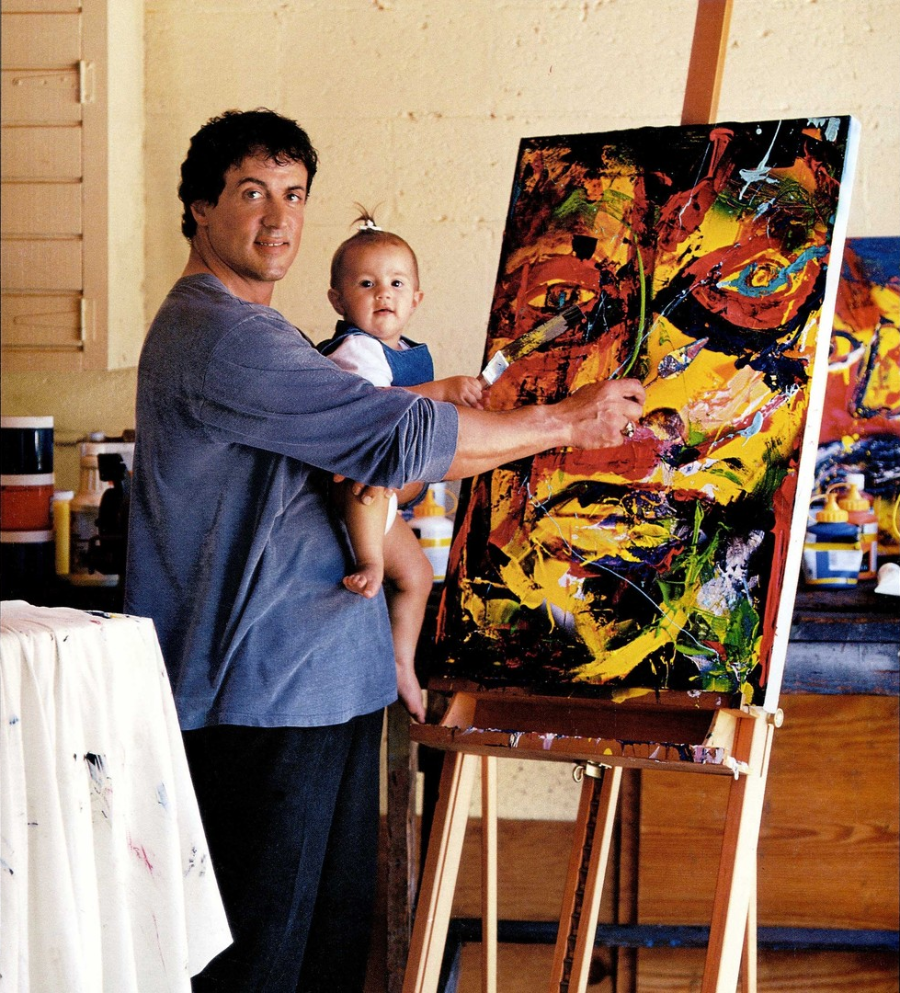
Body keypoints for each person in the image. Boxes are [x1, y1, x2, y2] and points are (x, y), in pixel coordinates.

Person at [124, 108, 644, 993]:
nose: (280, 217)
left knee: (330, 954)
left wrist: (499, 414)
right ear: (199, 208)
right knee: (259, 963)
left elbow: (398, 440)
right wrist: (562, 421)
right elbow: (396, 441)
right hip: (260, 700)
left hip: (324, 686)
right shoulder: (221, 334)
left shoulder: (276, 332)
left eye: (294, 194)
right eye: (252, 193)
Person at [318, 208, 483, 723]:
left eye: (395, 283)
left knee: (417, 577)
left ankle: (401, 662)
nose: (382, 294)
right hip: (356, 485)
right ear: (339, 301)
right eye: (366, 284)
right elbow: (377, 407)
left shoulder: (407, 350)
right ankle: (368, 562)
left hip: (394, 497)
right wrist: (443, 392)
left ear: (416, 299)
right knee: (367, 488)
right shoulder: (354, 350)